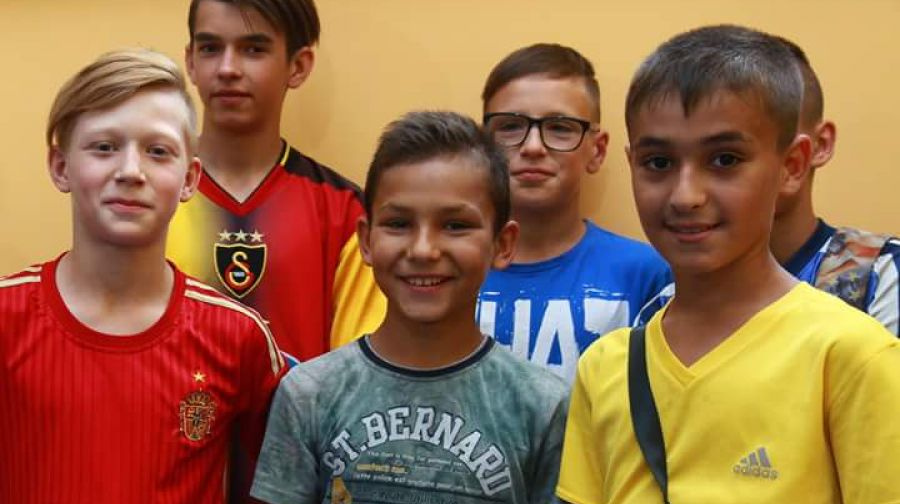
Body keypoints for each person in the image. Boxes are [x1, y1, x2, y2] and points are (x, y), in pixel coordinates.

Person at [557, 25, 900, 503]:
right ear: (632, 164)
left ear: (793, 165)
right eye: (659, 163)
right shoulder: (605, 366)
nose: (686, 196)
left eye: (724, 159)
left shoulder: (849, 355)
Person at [0, 48, 284, 503]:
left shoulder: (238, 337)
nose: (130, 171)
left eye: (157, 152)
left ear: (190, 178)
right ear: (60, 166)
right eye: (104, 147)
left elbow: (291, 481)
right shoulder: (5, 318)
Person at [251, 111, 568, 503]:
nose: (423, 250)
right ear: (366, 240)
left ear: (502, 244)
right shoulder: (309, 394)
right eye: (399, 224)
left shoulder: (541, 406)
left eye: (455, 226)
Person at [168, 0, 385, 363]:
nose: (227, 68)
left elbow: (358, 376)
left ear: (298, 66)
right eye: (210, 48)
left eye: (253, 49)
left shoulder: (345, 212)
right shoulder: (148, 195)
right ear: (190, 61)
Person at [477, 43, 672, 383]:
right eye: (510, 126)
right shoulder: (448, 268)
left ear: (597, 150)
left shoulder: (647, 275)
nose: (533, 146)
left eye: (560, 127)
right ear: (482, 145)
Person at [771, 37, 899, 336]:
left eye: (728, 157)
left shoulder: (881, 271)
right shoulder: (675, 286)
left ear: (820, 145)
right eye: (666, 161)